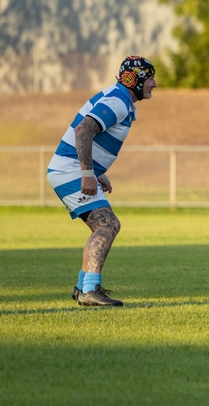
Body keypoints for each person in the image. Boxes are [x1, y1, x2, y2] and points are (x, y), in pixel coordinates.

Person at [46, 55, 157, 307]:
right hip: (70, 170)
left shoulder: (119, 98)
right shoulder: (118, 100)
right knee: (108, 225)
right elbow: (83, 130)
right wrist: (86, 173)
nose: (154, 83)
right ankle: (90, 290)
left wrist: (96, 171)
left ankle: (83, 286)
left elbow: (91, 136)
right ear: (135, 79)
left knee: (104, 226)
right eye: (149, 77)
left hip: (70, 168)